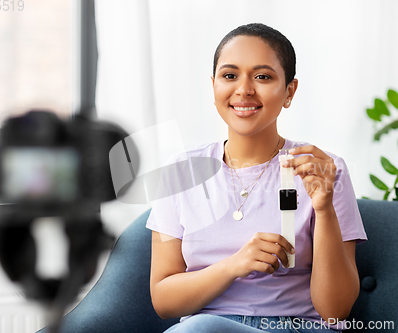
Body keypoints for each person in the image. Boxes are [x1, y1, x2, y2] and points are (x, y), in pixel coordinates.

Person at [146, 23, 367, 333]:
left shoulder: (323, 170)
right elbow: (164, 301)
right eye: (229, 76)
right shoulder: (180, 173)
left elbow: (335, 312)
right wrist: (234, 265)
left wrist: (324, 209)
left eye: (263, 77)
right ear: (213, 87)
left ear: (289, 91)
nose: (244, 89)